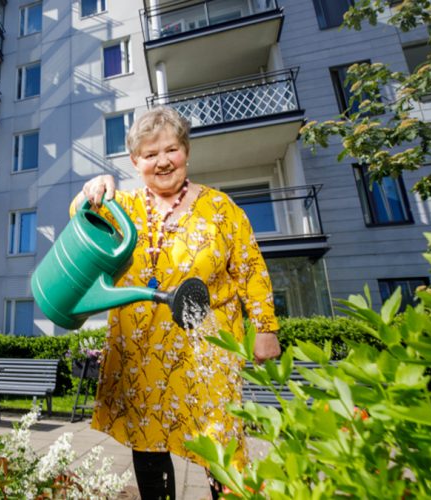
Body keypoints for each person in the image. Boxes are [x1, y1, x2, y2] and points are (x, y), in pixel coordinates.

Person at [73, 106, 281, 499]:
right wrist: (92, 189)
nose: (163, 161)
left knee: (222, 445)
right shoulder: (122, 207)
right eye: (150, 154)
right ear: (135, 161)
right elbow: (80, 220)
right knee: (149, 446)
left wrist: (265, 328)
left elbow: (251, 268)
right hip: (142, 352)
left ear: (186, 151)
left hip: (208, 350)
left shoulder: (221, 208)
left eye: (171, 149)